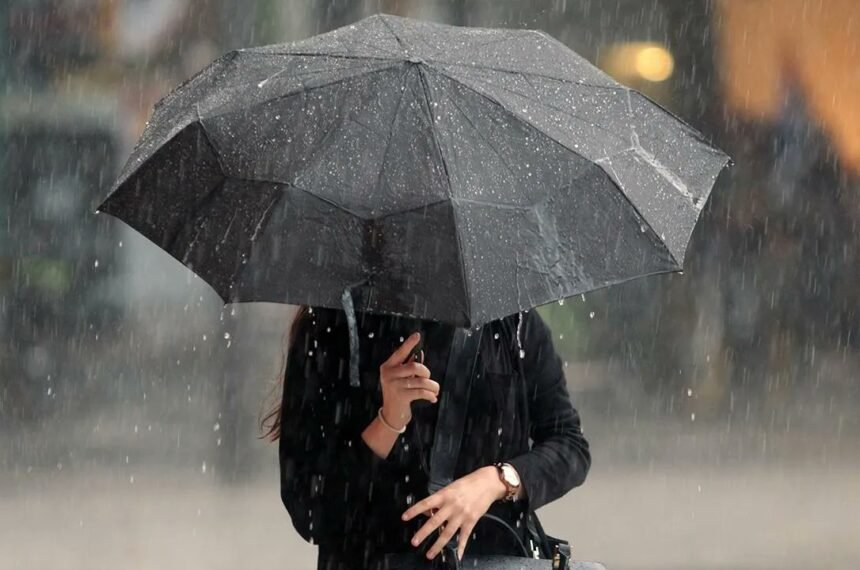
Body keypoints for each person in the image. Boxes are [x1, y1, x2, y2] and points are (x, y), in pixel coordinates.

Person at [261, 304, 591, 569]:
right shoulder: (331, 326)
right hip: (369, 558)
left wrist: (496, 480)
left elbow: (569, 445)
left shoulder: (511, 323)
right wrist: (389, 420)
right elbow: (310, 510)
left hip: (495, 554)